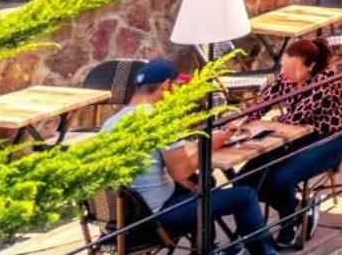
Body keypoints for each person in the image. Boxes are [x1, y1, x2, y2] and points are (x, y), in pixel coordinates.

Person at [98, 59, 278, 255]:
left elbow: (171, 162)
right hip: (155, 221)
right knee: (245, 196)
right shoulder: (159, 120)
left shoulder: (110, 124)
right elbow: (181, 170)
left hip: (119, 221)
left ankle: (208, 249)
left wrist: (199, 146)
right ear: (166, 86)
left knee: (202, 182)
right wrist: (212, 143)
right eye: (177, 86)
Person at [240, 39, 342, 250]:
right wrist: (242, 121)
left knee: (280, 179)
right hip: (299, 135)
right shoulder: (288, 75)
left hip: (331, 139)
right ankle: (297, 209)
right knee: (248, 178)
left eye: (291, 69)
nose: (285, 74)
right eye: (283, 68)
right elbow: (265, 101)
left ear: (311, 67)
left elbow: (295, 116)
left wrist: (262, 126)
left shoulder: (325, 81)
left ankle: (290, 227)